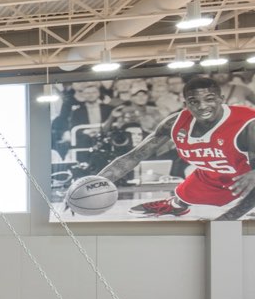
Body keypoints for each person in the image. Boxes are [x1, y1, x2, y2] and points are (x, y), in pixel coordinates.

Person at [96, 73, 255, 216]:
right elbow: (132, 158)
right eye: (193, 101)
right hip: (212, 177)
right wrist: (95, 182)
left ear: (221, 99)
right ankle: (175, 205)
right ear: (185, 103)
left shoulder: (248, 123)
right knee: (183, 195)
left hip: (246, 178)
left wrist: (227, 219)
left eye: (210, 99)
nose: (202, 106)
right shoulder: (175, 123)